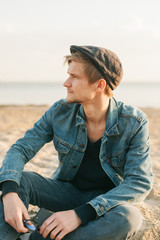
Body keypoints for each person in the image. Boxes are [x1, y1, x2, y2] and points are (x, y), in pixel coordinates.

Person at [0, 45, 153, 240]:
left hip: (106, 206)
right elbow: (21, 149)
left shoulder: (134, 122)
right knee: (18, 180)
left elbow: (139, 182)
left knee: (129, 218)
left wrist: (80, 214)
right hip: (65, 194)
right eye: (68, 75)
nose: (66, 83)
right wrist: (10, 193)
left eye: (74, 77)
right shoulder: (59, 112)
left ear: (99, 85)